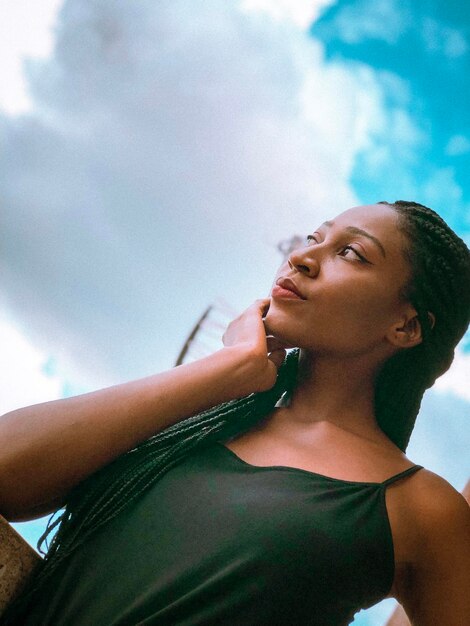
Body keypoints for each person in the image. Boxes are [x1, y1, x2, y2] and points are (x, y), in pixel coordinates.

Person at [0, 201, 469, 625]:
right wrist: (227, 369)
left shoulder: (419, 508)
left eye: (351, 254)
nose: (302, 259)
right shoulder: (198, 420)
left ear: (405, 325)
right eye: (315, 239)